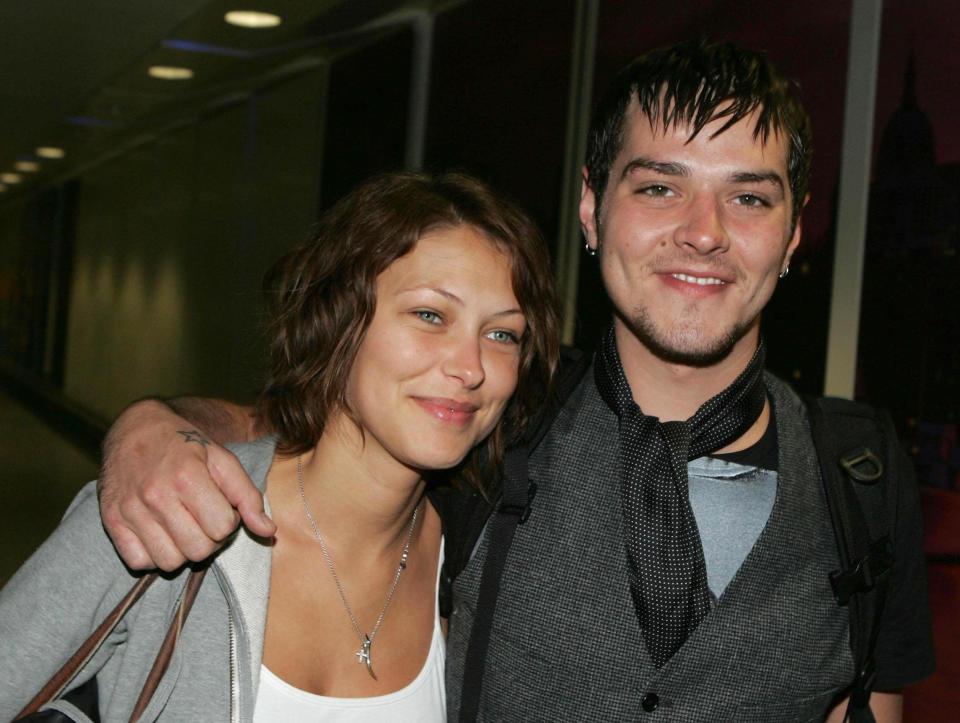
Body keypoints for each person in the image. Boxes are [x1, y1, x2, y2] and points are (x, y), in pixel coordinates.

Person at [93, 39, 934, 722]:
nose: (703, 233)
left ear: (793, 236)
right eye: (658, 187)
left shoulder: (859, 471)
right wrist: (153, 424)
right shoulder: (495, 420)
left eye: (749, 199)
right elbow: (284, 424)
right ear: (591, 210)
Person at [0, 171, 559, 721]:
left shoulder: (477, 561)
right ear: (339, 321)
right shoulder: (171, 511)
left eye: (502, 334)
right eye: (430, 315)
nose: (470, 367)